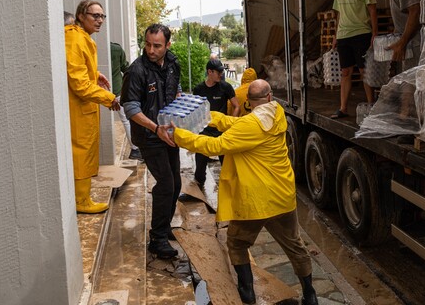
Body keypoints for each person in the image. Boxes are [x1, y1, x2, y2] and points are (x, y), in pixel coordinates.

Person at [170, 79, 318, 305]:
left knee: (238, 243)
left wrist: (178, 136)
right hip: (282, 197)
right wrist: (210, 116)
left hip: (255, 201)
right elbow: (236, 123)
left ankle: (247, 292)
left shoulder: (247, 126)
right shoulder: (278, 113)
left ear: (248, 102)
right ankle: (310, 294)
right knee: (295, 245)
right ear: (269, 97)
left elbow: (214, 146)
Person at [120, 23, 181, 259]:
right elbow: (131, 107)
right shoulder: (137, 71)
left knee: (175, 182)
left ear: (167, 45)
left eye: (157, 45)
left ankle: (164, 227)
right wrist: (155, 128)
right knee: (165, 183)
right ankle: (157, 239)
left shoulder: (172, 64)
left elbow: (175, 90)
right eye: (147, 44)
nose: (151, 50)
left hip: (168, 132)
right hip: (149, 135)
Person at [65, 0, 120, 214]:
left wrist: (95, 74)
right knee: (82, 151)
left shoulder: (82, 38)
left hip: (85, 106)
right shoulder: (74, 38)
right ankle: (81, 201)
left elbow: (78, 67)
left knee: (86, 149)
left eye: (102, 16)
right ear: (80, 15)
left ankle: (83, 197)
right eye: (94, 15)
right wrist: (108, 98)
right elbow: (78, 82)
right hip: (79, 107)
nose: (99, 21)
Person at [331, 0, 377, 119]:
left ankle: (372, 107)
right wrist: (336, 35)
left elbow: (372, 10)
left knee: (365, 71)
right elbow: (338, 14)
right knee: (345, 71)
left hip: (362, 34)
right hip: (344, 35)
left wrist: (374, 33)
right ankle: (343, 108)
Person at [368, 0, 421, 72]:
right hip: (409, 45)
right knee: (408, 84)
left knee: (414, 84)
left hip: (417, 44)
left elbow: (415, 11)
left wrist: (402, 42)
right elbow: (404, 17)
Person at [192, 58, 239, 187]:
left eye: (221, 72)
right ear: (210, 72)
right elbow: (195, 110)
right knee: (200, 163)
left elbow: (237, 106)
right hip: (205, 131)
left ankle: (231, 188)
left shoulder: (225, 87)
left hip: (222, 132)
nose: (221, 75)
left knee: (227, 164)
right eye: (218, 72)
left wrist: (231, 124)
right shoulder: (199, 89)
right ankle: (199, 185)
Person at [110, 41, 142, 161]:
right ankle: (135, 149)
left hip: (98, 91)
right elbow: (126, 68)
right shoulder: (116, 49)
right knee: (126, 120)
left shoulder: (93, 46)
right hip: (117, 90)